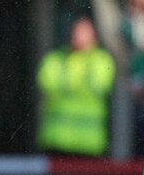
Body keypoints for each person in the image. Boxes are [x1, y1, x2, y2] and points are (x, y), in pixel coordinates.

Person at [36, 16, 116, 156]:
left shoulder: (102, 59)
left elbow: (101, 84)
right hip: (57, 140)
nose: (78, 36)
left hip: (90, 143)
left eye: (84, 32)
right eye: (76, 31)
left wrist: (68, 88)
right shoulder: (55, 58)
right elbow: (45, 83)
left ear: (93, 35)